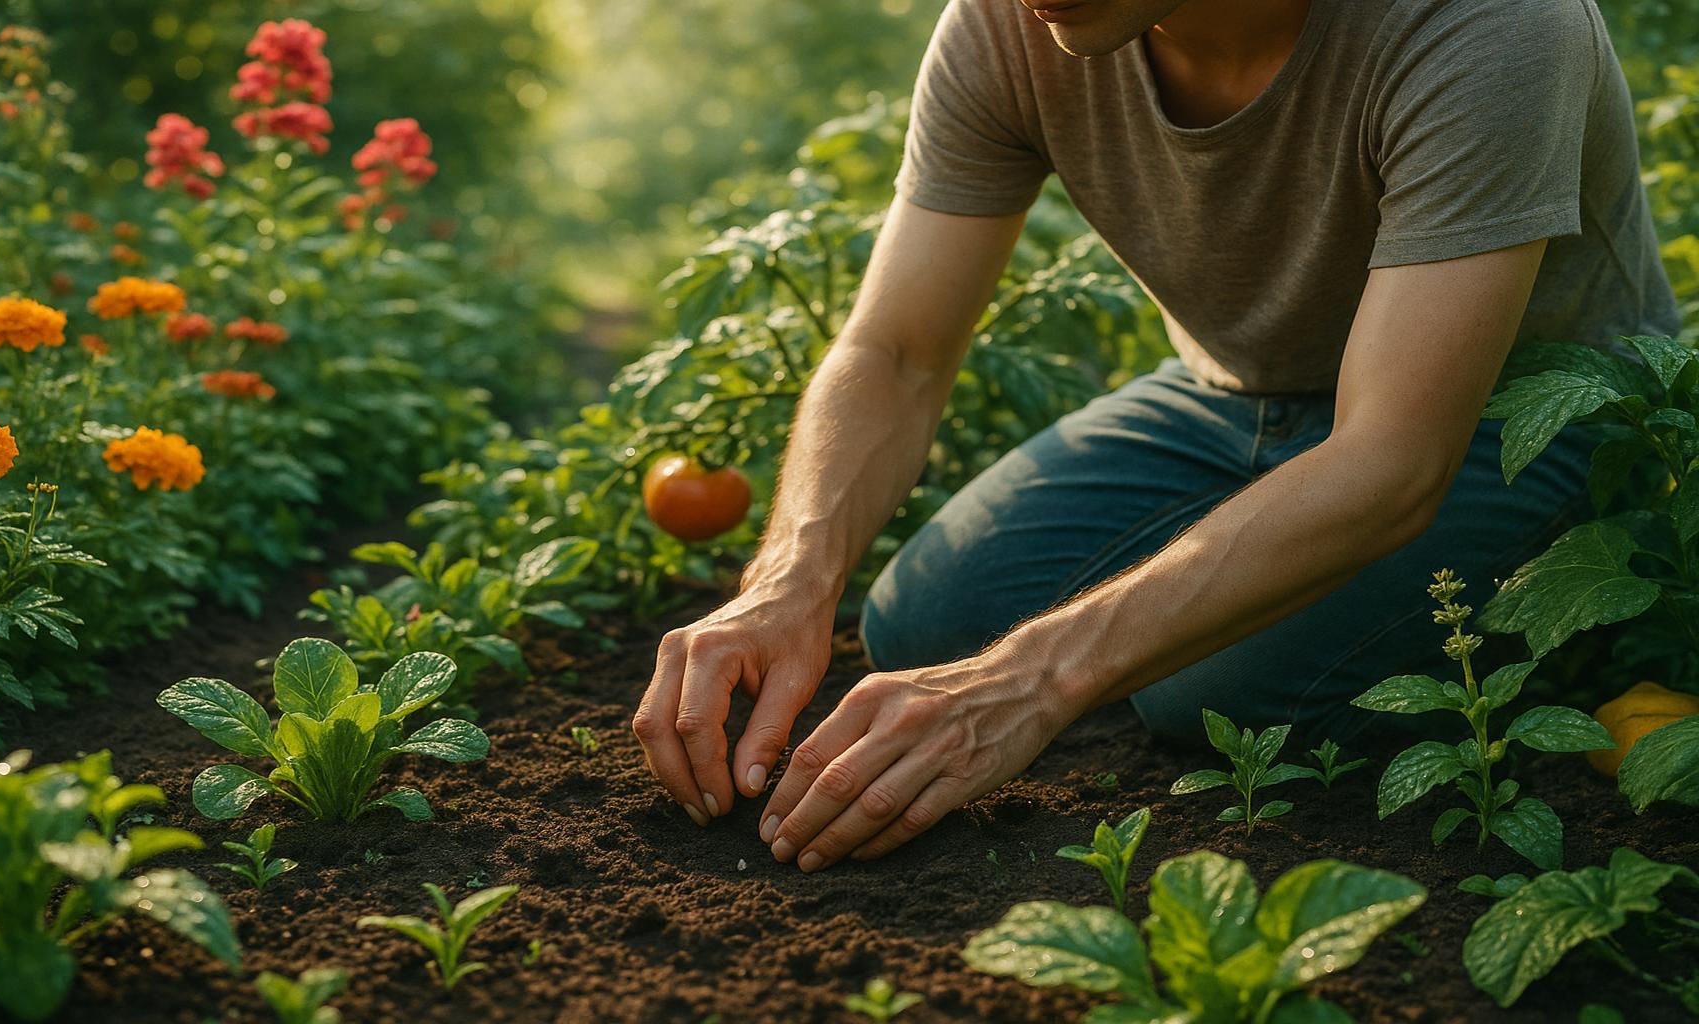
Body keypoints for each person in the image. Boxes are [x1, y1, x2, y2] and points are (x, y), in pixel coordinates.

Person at [631, 0, 1680, 874]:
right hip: (1231, 395)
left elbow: (1392, 458)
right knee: (925, 622)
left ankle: (1579, 611)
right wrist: (789, 579)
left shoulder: (1488, 24)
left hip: (1520, 413)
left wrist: (1035, 677)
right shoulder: (1008, 23)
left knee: (1218, 698)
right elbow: (897, 351)